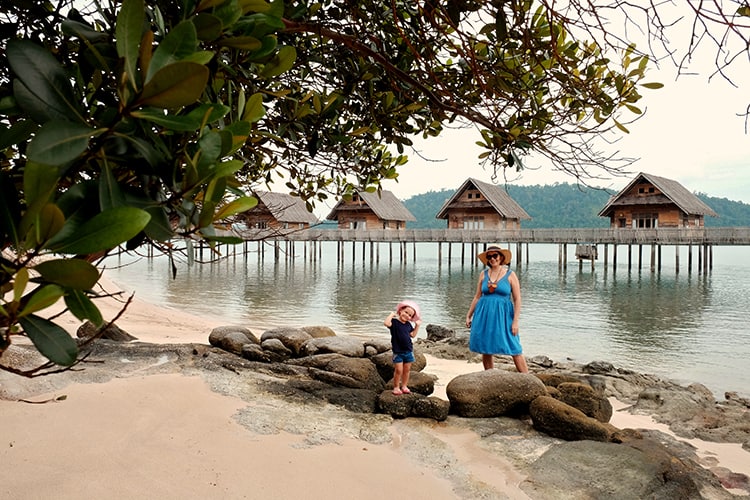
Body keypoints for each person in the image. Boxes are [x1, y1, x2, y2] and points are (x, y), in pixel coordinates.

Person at [465, 244, 529, 372]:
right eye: (489, 257)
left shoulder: (510, 275)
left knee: (513, 345)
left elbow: (517, 299)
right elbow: (477, 297)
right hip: (484, 314)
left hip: (504, 314)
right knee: (486, 346)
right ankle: (489, 375)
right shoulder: (483, 274)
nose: (492, 259)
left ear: (501, 257)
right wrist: (469, 315)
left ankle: (528, 379)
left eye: (495, 256)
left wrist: (515, 321)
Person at [384, 300, 422, 395]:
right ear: (400, 311)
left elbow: (412, 335)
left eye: (410, 315)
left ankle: (404, 386)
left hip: (408, 351)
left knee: (407, 370)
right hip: (398, 352)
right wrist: (392, 314)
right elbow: (386, 323)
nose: (407, 315)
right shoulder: (394, 322)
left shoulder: (408, 325)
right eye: (406, 312)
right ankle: (396, 387)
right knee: (398, 370)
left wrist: (417, 326)